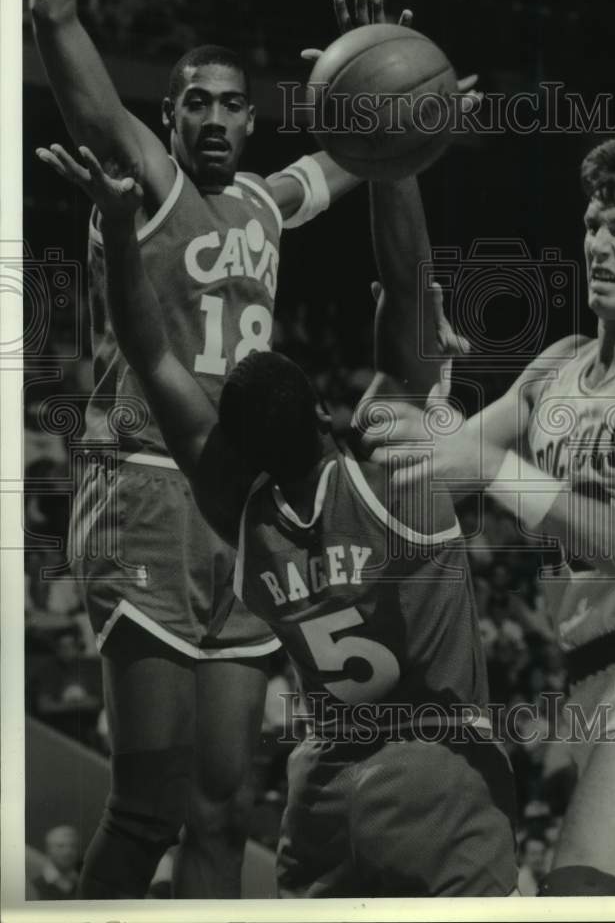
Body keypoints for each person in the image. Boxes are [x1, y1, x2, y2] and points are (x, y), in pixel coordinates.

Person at [37, 128, 517, 897]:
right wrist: (396, 159)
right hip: (439, 781)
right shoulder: (396, 485)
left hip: (325, 799)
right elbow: (405, 294)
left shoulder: (242, 521)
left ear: (231, 451)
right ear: (329, 418)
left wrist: (122, 235)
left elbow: (150, 350)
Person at [30, 0, 408, 899]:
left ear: (250, 117)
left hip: (237, 509)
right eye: (192, 99)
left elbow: (359, 149)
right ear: (169, 114)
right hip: (149, 484)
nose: (210, 116)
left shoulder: (264, 204)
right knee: (143, 808)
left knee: (224, 809)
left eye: (228, 102)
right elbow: (56, 18)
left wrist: (397, 69)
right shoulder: (147, 179)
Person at [367, 134, 615, 895]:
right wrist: (419, 368)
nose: (600, 246)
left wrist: (493, 467)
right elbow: (417, 487)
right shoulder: (557, 368)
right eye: (592, 226)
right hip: (589, 689)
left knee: (576, 896)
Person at [29, 825, 81, 900]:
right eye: (60, 846)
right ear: (48, 850)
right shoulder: (34, 886)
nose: (68, 852)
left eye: (73, 846)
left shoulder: (84, 882)